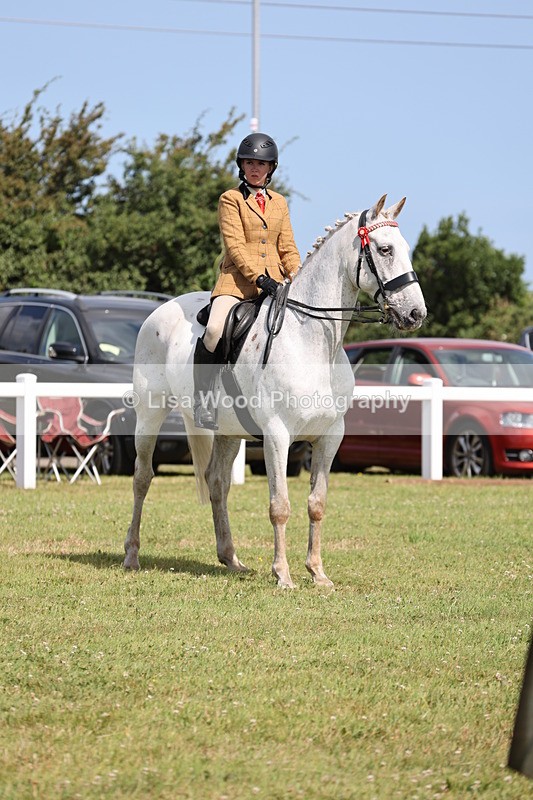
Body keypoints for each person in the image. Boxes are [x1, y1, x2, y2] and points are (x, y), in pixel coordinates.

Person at [193, 132, 301, 430]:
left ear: (271, 168)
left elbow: (287, 247)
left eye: (261, 164)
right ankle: (203, 401)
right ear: (241, 165)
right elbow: (236, 247)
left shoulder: (279, 202)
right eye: (249, 162)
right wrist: (259, 278)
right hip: (237, 284)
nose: (255, 168)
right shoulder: (231, 199)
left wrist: (297, 276)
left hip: (275, 284)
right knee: (214, 329)